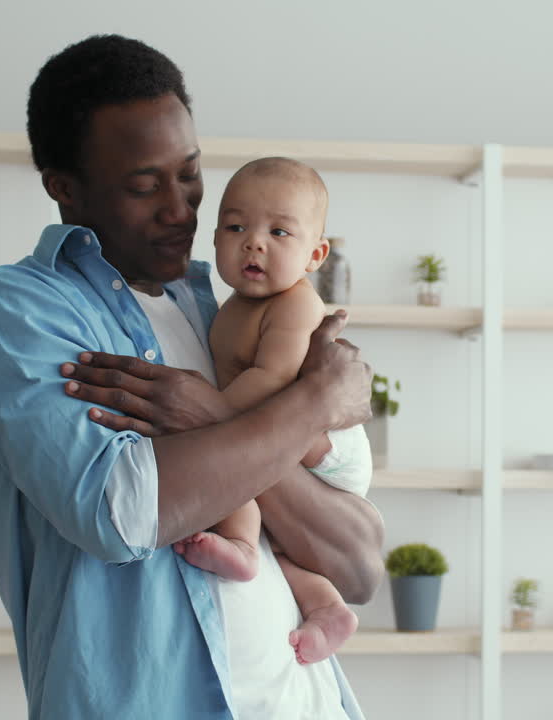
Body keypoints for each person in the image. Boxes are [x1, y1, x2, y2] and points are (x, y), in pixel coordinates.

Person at [0, 34, 384, 720]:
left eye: (191, 174)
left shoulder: (231, 301)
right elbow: (121, 511)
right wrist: (311, 402)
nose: (181, 209)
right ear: (64, 185)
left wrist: (209, 417)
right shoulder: (18, 311)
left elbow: (358, 565)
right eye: (144, 186)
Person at [176, 156, 370, 668]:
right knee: (282, 541)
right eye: (236, 226)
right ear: (214, 237)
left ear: (315, 254)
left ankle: (241, 548)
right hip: (287, 428)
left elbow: (272, 381)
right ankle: (326, 607)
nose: (254, 242)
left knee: (239, 466)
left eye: (279, 232)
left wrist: (212, 413)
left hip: (330, 445)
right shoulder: (235, 305)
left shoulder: (295, 305)